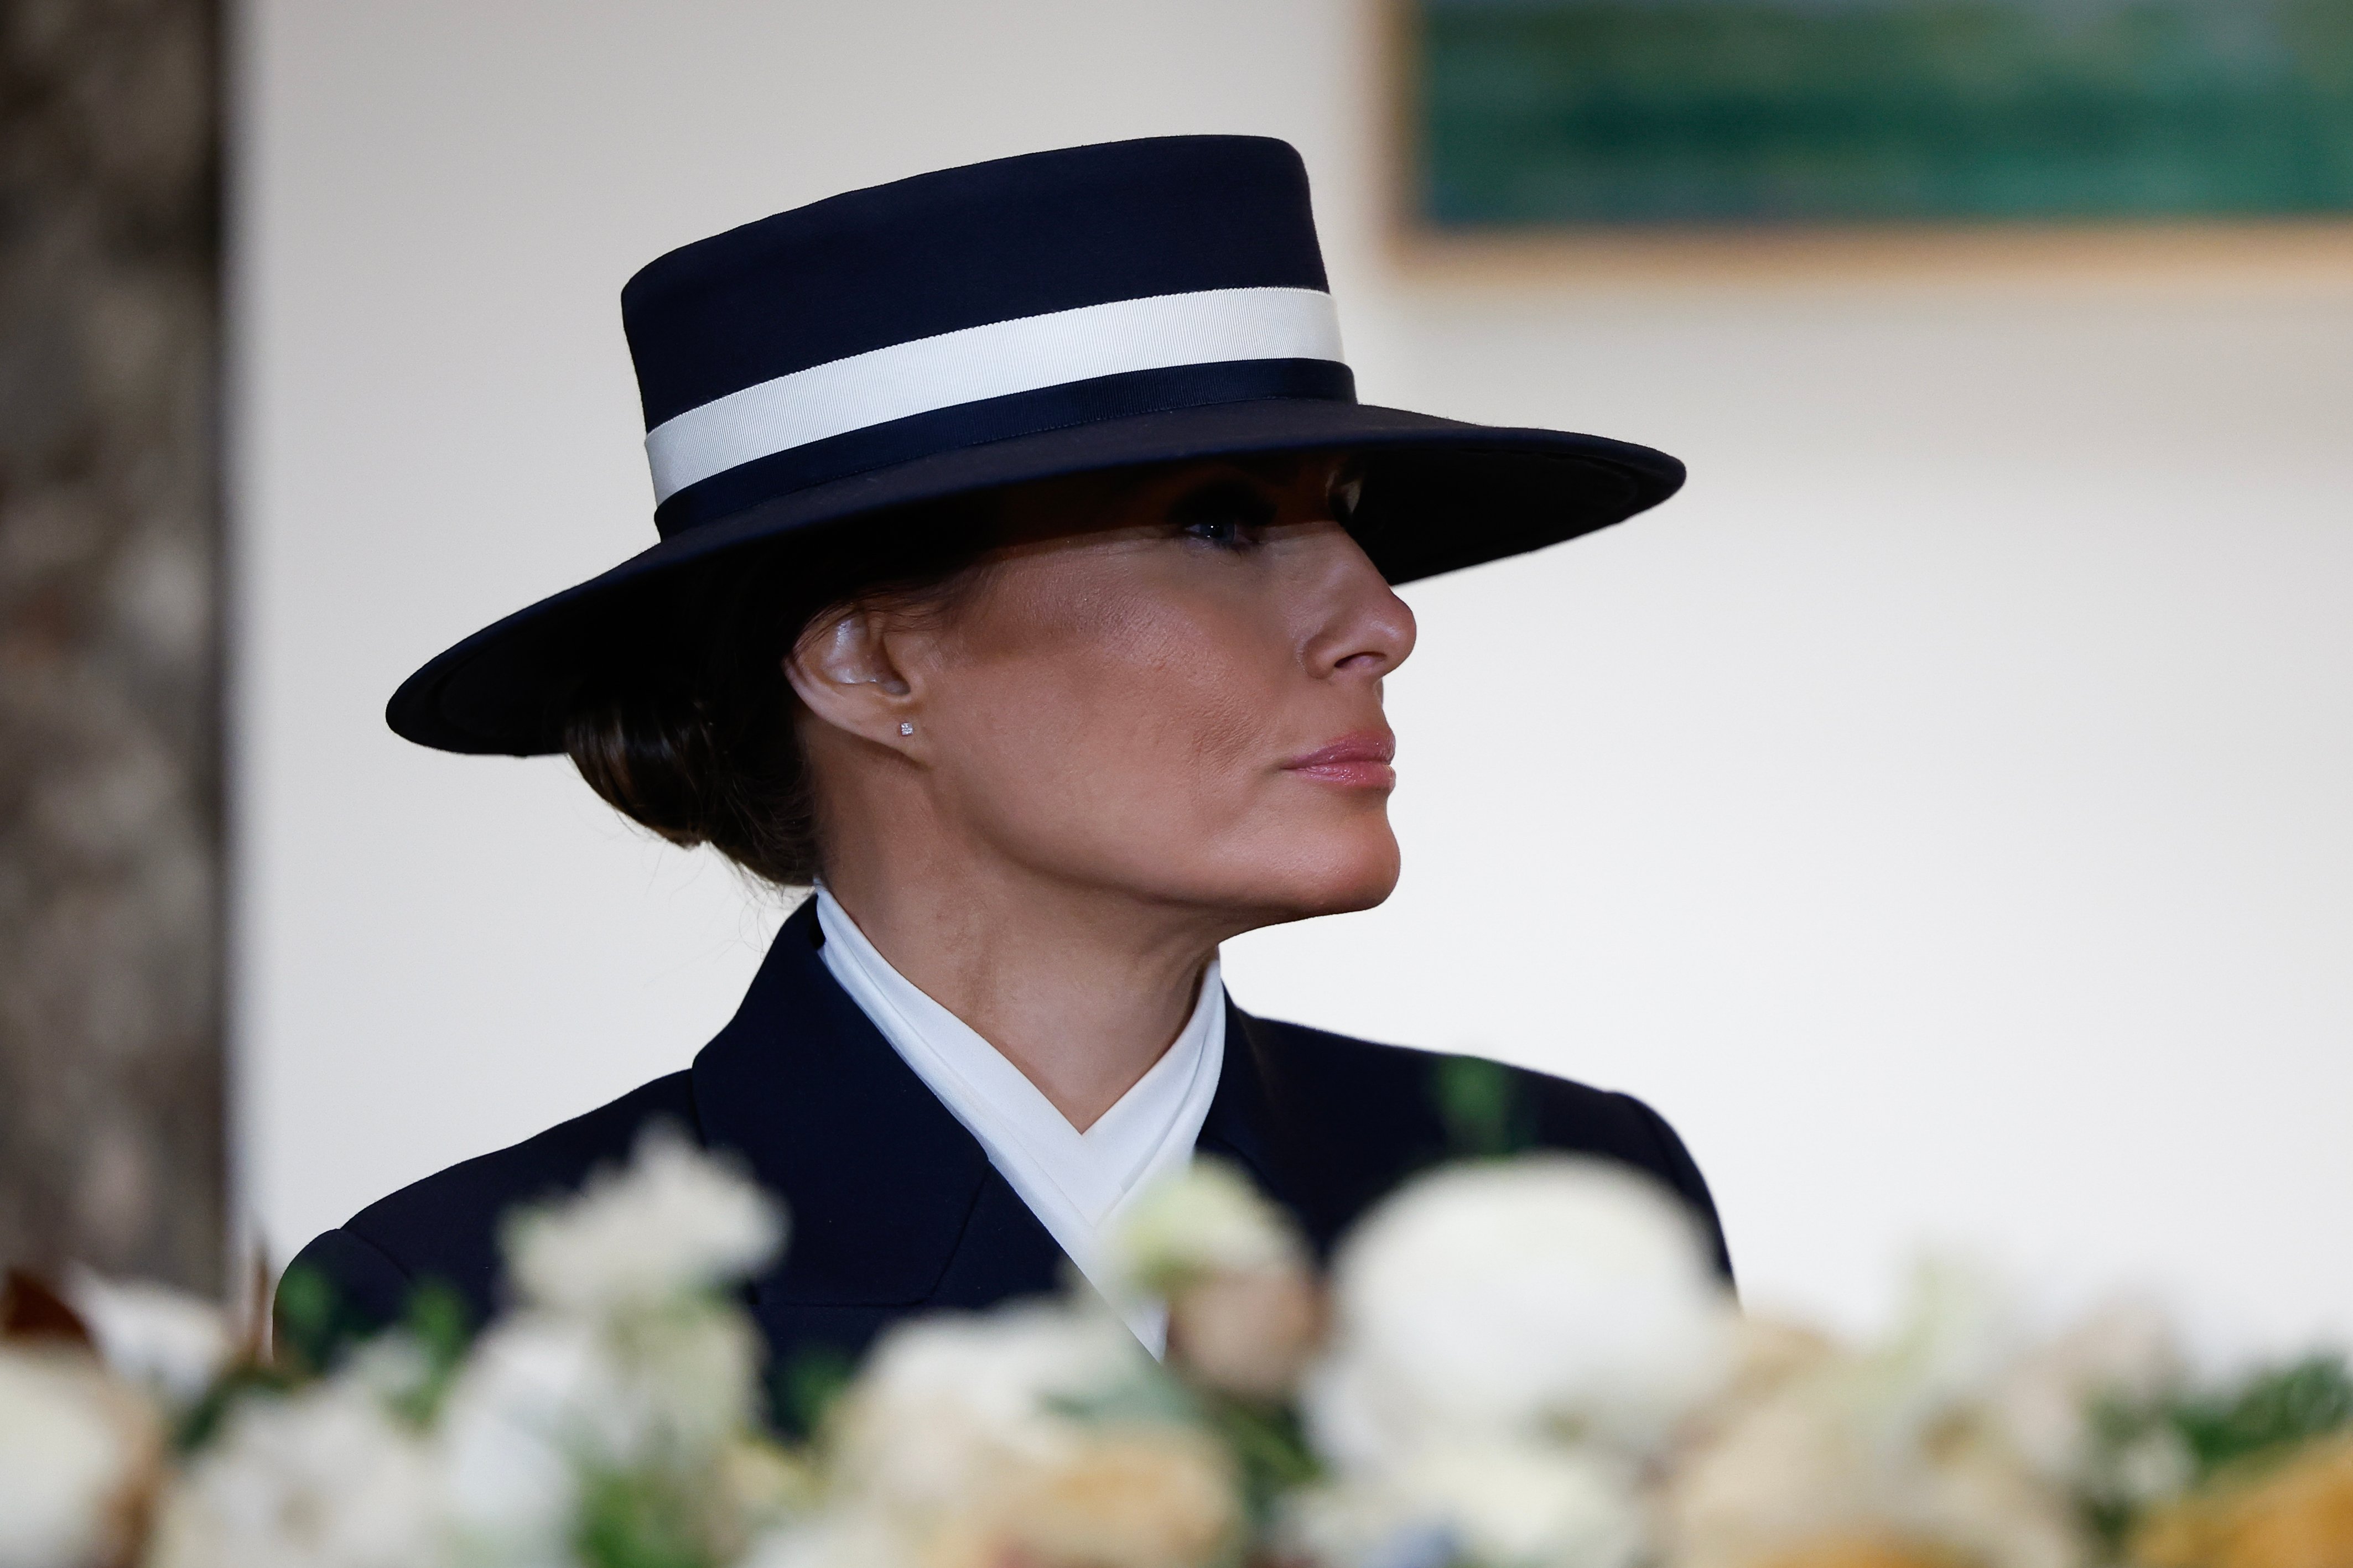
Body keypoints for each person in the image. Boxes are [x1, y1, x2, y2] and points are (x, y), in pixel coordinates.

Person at [281, 136, 1727, 1378]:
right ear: (869, 659)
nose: (1381, 618)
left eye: (1345, 510)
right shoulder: (469, 1313)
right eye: (1221, 519)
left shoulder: (1556, 1209)